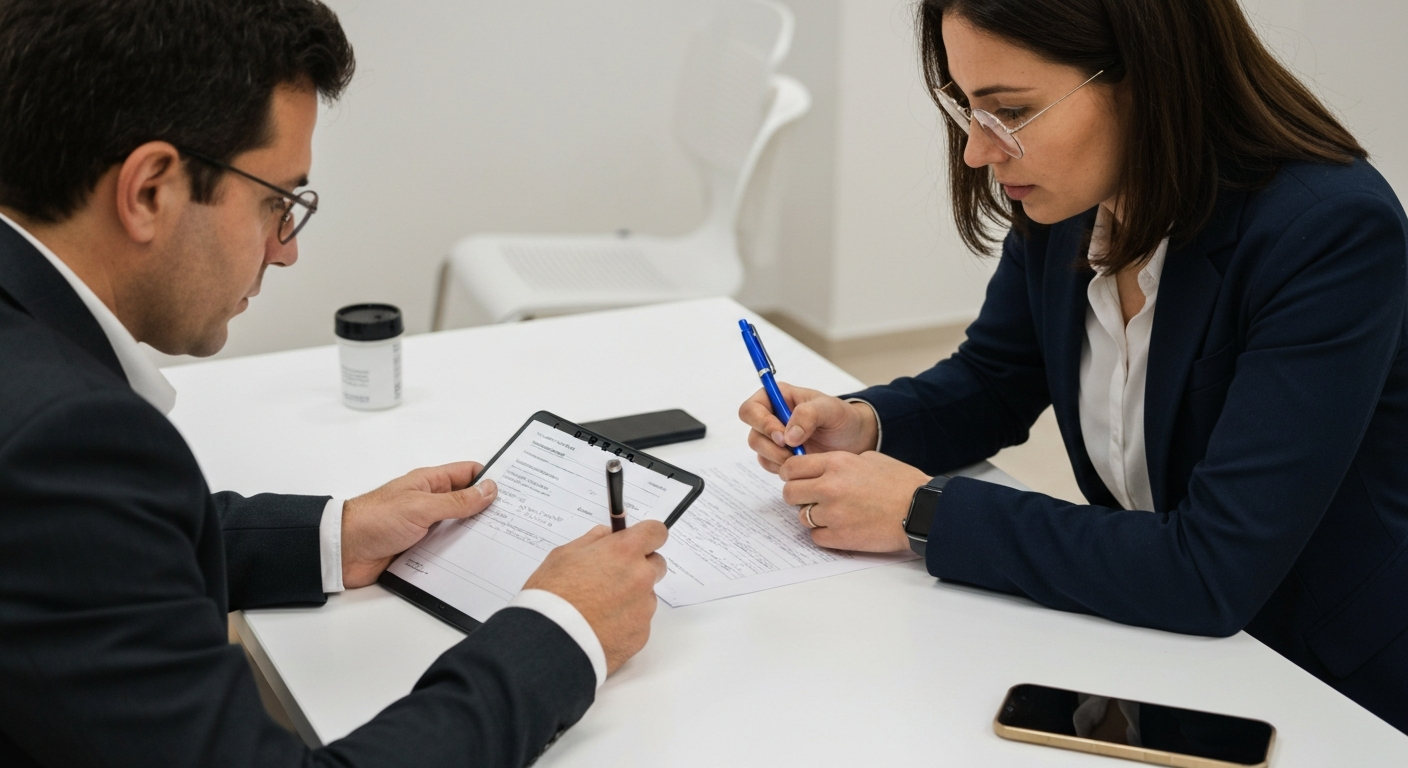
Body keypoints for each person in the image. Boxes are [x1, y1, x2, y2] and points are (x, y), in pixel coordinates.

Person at [0, 1, 668, 765]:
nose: (285, 253)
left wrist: (334, 536)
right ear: (151, 189)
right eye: (276, 202)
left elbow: (88, 553)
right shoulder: (60, 441)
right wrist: (563, 629)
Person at [740, 0, 1408, 734]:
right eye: (968, 108)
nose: (976, 152)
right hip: (1147, 639)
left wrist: (919, 512)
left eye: (1011, 111)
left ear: (1147, 78)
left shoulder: (1327, 231)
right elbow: (994, 380)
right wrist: (864, 423)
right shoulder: (1074, 203)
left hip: (1317, 683)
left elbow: (1213, 569)